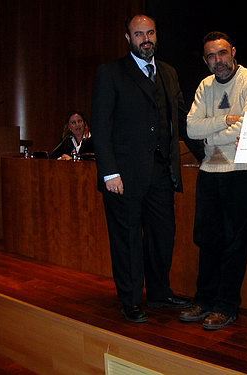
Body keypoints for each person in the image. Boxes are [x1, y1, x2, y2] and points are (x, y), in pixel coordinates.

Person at [91, 14, 203, 323]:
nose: (146, 38)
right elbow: (100, 127)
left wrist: (208, 153)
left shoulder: (168, 72)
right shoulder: (110, 73)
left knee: (162, 236)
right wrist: (109, 173)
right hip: (123, 176)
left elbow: (181, 119)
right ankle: (130, 299)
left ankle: (159, 292)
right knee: (127, 240)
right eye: (139, 34)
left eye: (150, 32)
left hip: (162, 173)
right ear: (128, 38)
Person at [179, 31, 247, 330]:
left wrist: (213, 133)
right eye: (211, 56)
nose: (218, 61)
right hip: (210, 172)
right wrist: (227, 120)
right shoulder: (205, 86)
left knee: (236, 244)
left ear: (232, 51)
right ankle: (204, 300)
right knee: (208, 241)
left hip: (244, 172)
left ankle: (226, 306)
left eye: (222, 53)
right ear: (206, 61)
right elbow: (191, 128)